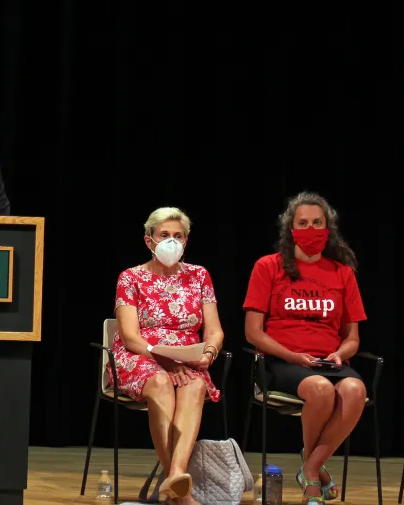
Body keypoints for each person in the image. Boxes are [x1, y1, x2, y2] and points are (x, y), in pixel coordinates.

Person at [243, 191, 367, 505]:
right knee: (321, 390)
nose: (310, 230)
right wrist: (292, 355)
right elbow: (253, 332)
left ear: (329, 229)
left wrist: (341, 353)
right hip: (283, 360)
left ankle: (310, 465)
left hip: (329, 359)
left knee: (355, 390)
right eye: (303, 223)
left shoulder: (343, 273)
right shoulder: (267, 267)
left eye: (317, 223)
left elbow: (353, 337)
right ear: (290, 228)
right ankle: (315, 474)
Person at [111, 207, 225, 505]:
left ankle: (174, 477)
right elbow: (129, 335)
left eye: (178, 236)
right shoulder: (130, 278)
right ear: (149, 240)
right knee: (161, 382)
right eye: (164, 235)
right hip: (141, 356)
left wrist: (208, 355)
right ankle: (180, 495)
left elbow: (215, 331)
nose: (171, 241)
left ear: (186, 241)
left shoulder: (199, 275)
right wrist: (163, 359)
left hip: (187, 359)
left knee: (196, 384)